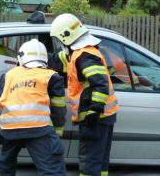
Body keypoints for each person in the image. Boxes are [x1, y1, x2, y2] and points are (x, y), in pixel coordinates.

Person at [0, 39, 67, 176]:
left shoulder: (9, 75)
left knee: (4, 166)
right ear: (45, 58)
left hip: (10, 130)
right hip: (38, 129)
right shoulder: (51, 77)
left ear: (21, 57)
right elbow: (59, 109)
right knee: (51, 168)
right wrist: (57, 131)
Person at [49, 13, 119, 176]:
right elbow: (60, 59)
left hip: (95, 117)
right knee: (100, 159)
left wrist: (94, 112)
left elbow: (100, 84)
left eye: (59, 39)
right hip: (105, 115)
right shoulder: (84, 52)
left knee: (90, 160)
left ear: (66, 36)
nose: (59, 43)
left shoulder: (84, 56)